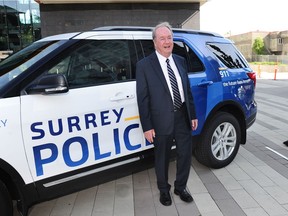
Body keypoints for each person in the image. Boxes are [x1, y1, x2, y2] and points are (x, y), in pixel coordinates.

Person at [136, 22, 198, 206]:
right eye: (162, 38)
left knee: (185, 154)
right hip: (160, 120)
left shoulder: (180, 60)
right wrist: (147, 126)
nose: (167, 41)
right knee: (161, 158)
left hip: (182, 116)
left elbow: (187, 90)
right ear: (155, 42)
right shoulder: (144, 65)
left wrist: (192, 114)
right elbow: (143, 99)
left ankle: (181, 187)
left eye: (169, 38)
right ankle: (164, 190)